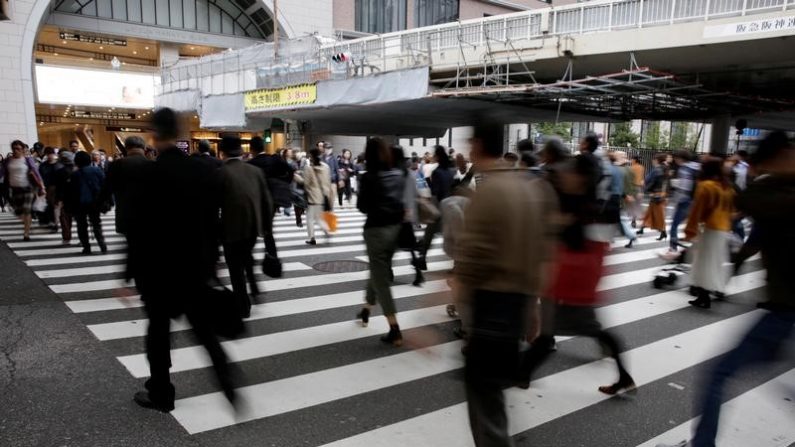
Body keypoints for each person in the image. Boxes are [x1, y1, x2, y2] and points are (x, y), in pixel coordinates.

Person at [656, 132, 795, 447]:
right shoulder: (771, 197)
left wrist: (768, 170)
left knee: (719, 374)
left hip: (786, 313)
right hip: (780, 308)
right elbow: (755, 232)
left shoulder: (773, 194)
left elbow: (750, 200)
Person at [128, 108, 236, 413]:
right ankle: (227, 379)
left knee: (159, 333)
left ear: (154, 134)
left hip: (159, 270)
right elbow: (215, 221)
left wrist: (128, 273)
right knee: (203, 330)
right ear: (178, 133)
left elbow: (139, 230)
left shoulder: (149, 174)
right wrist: (213, 260)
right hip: (195, 265)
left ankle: (161, 392)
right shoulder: (202, 171)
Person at [456, 120, 558, 447]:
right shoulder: (528, 188)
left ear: (477, 146)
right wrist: (534, 308)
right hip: (517, 304)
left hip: (491, 306)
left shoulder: (488, 192)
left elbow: (471, 261)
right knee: (492, 398)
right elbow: (541, 253)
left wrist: (448, 311)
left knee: (485, 402)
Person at [356, 138, 406, 345]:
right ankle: (366, 309)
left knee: (381, 279)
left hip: (376, 231)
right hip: (395, 231)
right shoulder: (398, 174)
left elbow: (362, 206)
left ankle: (394, 329)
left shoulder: (368, 177)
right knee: (378, 271)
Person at [218, 136, 273, 318]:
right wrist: (266, 228)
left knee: (235, 269)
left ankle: (243, 306)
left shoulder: (221, 173)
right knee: (245, 257)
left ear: (222, 152)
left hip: (231, 229)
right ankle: (254, 288)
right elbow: (267, 202)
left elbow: (212, 205)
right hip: (252, 228)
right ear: (241, 151)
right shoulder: (255, 171)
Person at [683, 157, 735, 309]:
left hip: (710, 228)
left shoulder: (706, 186)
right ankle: (705, 295)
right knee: (713, 263)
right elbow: (731, 210)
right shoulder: (727, 187)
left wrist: (690, 230)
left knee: (702, 262)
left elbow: (697, 210)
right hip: (723, 228)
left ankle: (703, 296)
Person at [248, 137, 291, 262]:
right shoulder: (275, 159)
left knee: (254, 228)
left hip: (257, 200)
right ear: (264, 147)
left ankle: (249, 254)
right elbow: (290, 170)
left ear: (251, 149)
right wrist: (283, 183)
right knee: (267, 229)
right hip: (273, 199)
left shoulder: (250, 164)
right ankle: (272, 255)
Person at [416, 145, 455, 270]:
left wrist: (431, 209)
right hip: (451, 207)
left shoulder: (437, 172)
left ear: (437, 156)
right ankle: (457, 263)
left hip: (440, 207)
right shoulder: (450, 171)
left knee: (429, 234)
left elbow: (435, 192)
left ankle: (422, 258)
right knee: (451, 236)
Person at [104, 136, 151, 237]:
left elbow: (107, 189)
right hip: (148, 215)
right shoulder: (152, 165)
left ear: (126, 148)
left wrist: (102, 205)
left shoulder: (116, 165)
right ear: (144, 148)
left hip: (125, 214)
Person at [1, 140, 45, 241]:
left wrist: (42, 186)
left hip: (28, 189)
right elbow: (2, 172)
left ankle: (26, 233)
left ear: (22, 149)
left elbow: (36, 172)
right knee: (19, 211)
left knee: (26, 210)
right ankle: (27, 223)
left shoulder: (27, 160)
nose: (16, 151)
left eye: (18, 149)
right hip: (14, 189)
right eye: (14, 149)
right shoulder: (8, 161)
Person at [65, 151, 108, 254]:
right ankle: (101, 243)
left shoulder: (75, 174)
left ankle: (86, 247)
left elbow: (71, 191)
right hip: (95, 201)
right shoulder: (97, 170)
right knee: (96, 223)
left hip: (79, 203)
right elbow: (104, 185)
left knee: (81, 225)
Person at [667, 150, 700, 252]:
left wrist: (676, 200)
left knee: (674, 225)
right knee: (694, 225)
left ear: (680, 158)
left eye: (675, 158)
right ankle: (698, 247)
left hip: (685, 201)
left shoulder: (684, 169)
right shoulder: (698, 167)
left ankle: (673, 248)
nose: (675, 160)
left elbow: (684, 188)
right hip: (696, 201)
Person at [300, 146, 333, 245]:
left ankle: (312, 238)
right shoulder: (326, 167)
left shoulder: (308, 168)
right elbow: (328, 181)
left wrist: (297, 178)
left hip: (313, 196)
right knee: (318, 217)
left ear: (311, 156)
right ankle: (326, 230)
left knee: (310, 218)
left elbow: (306, 184)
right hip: (324, 195)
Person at [610, 151, 638, 248]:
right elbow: (633, 185)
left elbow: (618, 186)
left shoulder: (618, 170)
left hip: (619, 198)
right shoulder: (630, 170)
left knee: (620, 219)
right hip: (626, 198)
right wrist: (632, 195)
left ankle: (631, 236)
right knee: (618, 219)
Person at [637, 154, 669, 240]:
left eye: (653, 159)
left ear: (656, 160)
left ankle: (663, 232)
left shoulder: (657, 170)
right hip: (661, 194)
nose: (652, 161)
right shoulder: (664, 168)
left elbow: (650, 181)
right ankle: (642, 229)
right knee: (649, 213)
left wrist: (646, 190)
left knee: (658, 215)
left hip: (655, 195)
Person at [38, 147, 64, 232]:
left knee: (56, 206)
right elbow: (40, 177)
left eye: (51, 154)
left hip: (58, 188)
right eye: (48, 154)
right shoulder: (43, 165)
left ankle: (56, 223)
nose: (50, 156)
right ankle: (53, 222)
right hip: (47, 188)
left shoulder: (59, 165)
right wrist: (41, 188)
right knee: (50, 206)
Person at [54, 151, 76, 245]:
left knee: (65, 218)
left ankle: (66, 237)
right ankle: (83, 238)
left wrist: (58, 198)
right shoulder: (77, 170)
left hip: (64, 198)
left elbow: (58, 187)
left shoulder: (60, 172)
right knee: (80, 219)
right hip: (76, 197)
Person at [629, 155, 645, 227]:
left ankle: (634, 220)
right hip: (639, 188)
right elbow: (642, 179)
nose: (631, 160)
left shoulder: (631, 168)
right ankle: (635, 219)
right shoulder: (642, 167)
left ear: (635, 160)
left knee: (632, 205)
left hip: (632, 187)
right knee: (638, 205)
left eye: (631, 159)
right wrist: (642, 191)